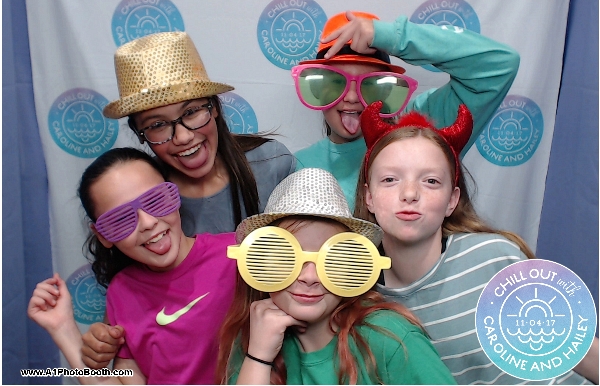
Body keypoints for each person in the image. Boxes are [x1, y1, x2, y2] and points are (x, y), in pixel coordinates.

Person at [82, 31, 295, 367]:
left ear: (215, 107)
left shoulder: (271, 164)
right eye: (157, 125)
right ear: (141, 135)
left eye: (193, 111)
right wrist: (105, 336)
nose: (182, 136)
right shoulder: (149, 205)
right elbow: (138, 298)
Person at [353, 102, 596, 384]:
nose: (409, 193)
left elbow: (580, 350)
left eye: (430, 181)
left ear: (452, 200)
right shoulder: (357, 299)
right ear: (368, 197)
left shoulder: (492, 257)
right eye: (390, 179)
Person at [216, 168, 457, 384]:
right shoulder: (255, 337)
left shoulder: (390, 338)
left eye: (332, 259)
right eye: (288, 257)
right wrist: (258, 357)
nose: (309, 276)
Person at [28, 147, 237, 384]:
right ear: (103, 235)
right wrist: (63, 328)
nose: (147, 222)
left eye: (155, 200)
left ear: (174, 195)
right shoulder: (122, 292)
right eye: (121, 219)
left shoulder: (238, 253)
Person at [293, 11, 520, 211]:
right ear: (316, 88)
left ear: (388, 90)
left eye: (370, 85)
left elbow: (501, 64)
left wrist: (393, 38)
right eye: (335, 83)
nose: (352, 97)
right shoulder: (297, 166)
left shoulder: (420, 131)